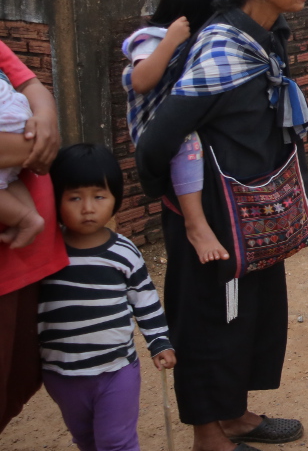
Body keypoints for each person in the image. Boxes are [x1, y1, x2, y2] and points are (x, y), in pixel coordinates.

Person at [136, 0, 308, 451]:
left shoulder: (268, 35)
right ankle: (207, 435)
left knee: (253, 313)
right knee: (208, 320)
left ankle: (234, 415)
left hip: (254, 207)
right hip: (213, 217)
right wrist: (186, 212)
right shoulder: (220, 50)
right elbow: (155, 145)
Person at [39, 144, 176, 451]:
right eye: (75, 197)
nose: (87, 207)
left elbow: (145, 299)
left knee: (116, 442)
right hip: (62, 374)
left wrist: (159, 341)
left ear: (115, 199)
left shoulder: (124, 253)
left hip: (116, 371)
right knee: (86, 439)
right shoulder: (45, 252)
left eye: (98, 196)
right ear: (55, 199)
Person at [122, 0, 228, 264]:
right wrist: (170, 40)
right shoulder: (151, 38)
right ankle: (196, 224)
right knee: (187, 143)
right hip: (153, 123)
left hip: (177, 116)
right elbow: (141, 81)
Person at [0, 42, 65, 434]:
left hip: (27, 257)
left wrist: (45, 118)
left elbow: (31, 85)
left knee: (20, 376)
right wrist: (36, 142)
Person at [0, 72, 40, 249]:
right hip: (17, 111)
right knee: (10, 179)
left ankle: (26, 220)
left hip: (4, 120)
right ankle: (31, 216)